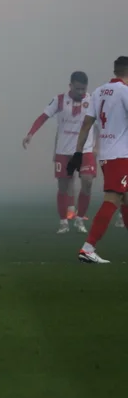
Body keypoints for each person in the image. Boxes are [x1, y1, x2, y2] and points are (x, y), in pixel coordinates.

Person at [23, 71, 98, 233]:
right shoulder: (59, 100)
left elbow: (104, 120)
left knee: (88, 182)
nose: (80, 93)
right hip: (64, 151)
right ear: (70, 86)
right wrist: (31, 133)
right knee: (63, 186)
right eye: (77, 89)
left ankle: (80, 220)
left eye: (83, 89)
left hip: (84, 150)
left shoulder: (92, 100)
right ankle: (63, 222)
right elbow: (43, 116)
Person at [70, 56, 128, 263]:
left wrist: (78, 153)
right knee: (113, 199)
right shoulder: (124, 91)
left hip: (107, 155)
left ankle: (89, 247)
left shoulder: (99, 91)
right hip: (120, 156)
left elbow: (86, 125)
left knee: (125, 199)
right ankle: (88, 247)